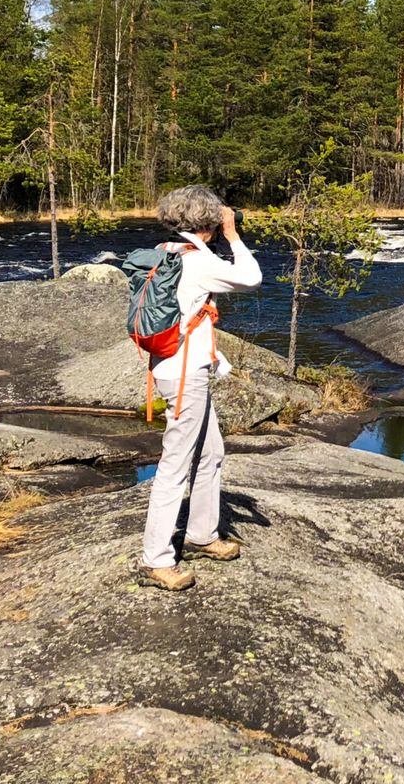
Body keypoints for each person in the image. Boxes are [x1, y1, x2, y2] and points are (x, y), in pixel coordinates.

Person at [139, 184, 262, 591]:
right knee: (175, 466)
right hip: (185, 372)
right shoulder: (198, 260)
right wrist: (234, 235)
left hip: (175, 365)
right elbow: (251, 277)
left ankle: (202, 534)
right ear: (207, 223)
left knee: (211, 453)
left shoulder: (167, 250)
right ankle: (155, 559)